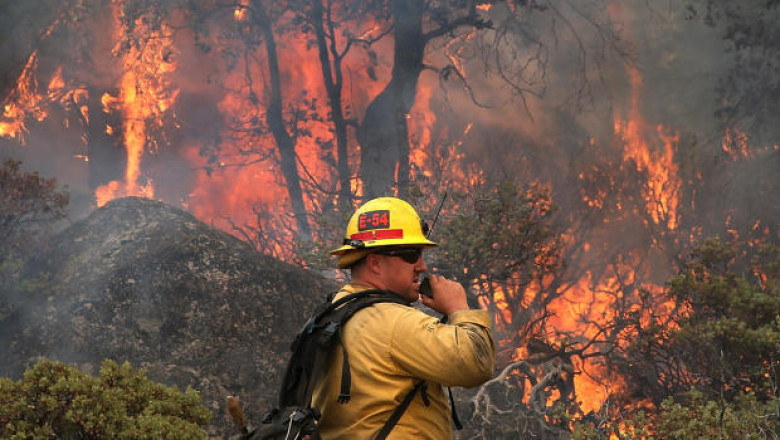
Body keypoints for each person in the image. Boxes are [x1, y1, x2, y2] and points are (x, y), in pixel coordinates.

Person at [312, 197, 496, 439]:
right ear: (375, 263)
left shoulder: (332, 313)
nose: (421, 266)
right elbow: (476, 364)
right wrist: (458, 308)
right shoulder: (392, 321)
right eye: (410, 255)